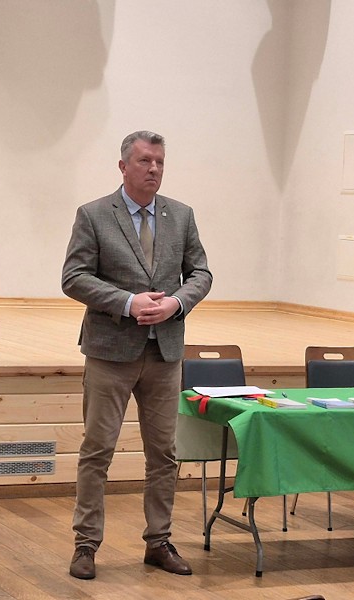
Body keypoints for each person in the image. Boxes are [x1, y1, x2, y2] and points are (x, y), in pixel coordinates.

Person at [62, 130, 212, 579]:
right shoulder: (93, 214)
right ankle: (86, 545)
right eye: (145, 161)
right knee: (98, 451)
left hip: (165, 353)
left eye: (160, 162)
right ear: (123, 166)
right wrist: (128, 303)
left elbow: (201, 273)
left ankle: (159, 541)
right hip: (110, 352)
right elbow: (74, 277)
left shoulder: (181, 215)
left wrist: (176, 303)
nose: (154, 169)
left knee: (163, 454)